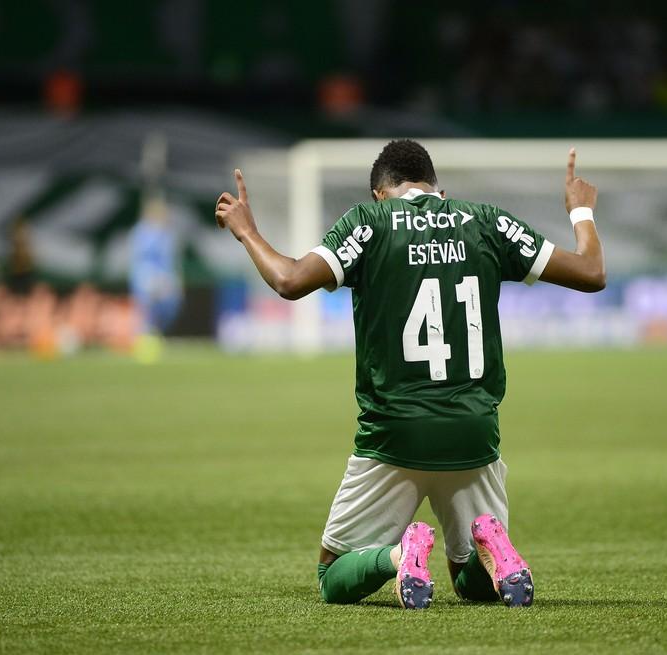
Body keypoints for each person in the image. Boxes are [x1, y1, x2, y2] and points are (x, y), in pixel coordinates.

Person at [215, 140, 606, 609]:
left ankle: (400, 554)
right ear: (437, 187)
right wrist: (580, 211)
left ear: (379, 192)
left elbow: (289, 279)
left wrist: (246, 231)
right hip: (472, 433)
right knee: (471, 580)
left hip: (393, 435)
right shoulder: (485, 221)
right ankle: (490, 542)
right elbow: (591, 272)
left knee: (331, 576)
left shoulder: (369, 222)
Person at [129, 194, 182, 358]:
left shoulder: (168, 234)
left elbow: (170, 260)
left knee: (170, 305)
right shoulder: (141, 232)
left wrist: (170, 278)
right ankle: (145, 339)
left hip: (164, 277)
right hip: (146, 276)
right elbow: (139, 258)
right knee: (146, 309)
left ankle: (155, 335)